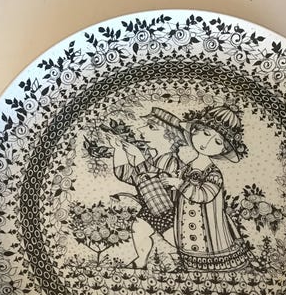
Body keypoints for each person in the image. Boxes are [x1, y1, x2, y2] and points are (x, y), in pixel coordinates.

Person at [161, 105, 251, 272]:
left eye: (217, 142)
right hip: (185, 227)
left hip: (209, 229)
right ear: (195, 131)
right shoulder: (187, 167)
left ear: (223, 149)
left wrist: (179, 184)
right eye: (206, 134)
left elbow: (204, 195)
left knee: (210, 262)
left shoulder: (214, 173)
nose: (207, 143)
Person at [107, 109, 186, 268]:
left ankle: (188, 261)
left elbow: (156, 180)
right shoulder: (152, 158)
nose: (141, 129)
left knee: (174, 239)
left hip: (168, 210)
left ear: (171, 137)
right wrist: (119, 150)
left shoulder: (171, 161)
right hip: (150, 207)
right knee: (139, 229)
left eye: (150, 127)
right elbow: (128, 176)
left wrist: (139, 159)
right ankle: (140, 260)